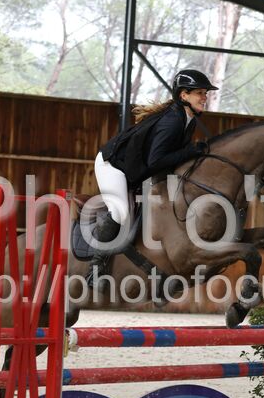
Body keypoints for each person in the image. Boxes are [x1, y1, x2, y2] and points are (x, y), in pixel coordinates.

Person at [86, 69, 219, 284]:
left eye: (205, 93)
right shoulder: (173, 121)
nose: (204, 98)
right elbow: (156, 161)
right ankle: (94, 269)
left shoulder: (188, 120)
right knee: (120, 212)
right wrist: (190, 151)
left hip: (136, 169)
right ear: (184, 95)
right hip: (114, 166)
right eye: (200, 93)